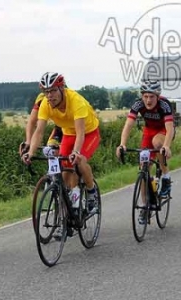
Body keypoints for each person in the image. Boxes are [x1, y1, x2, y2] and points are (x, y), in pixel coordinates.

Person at [22, 72, 100, 219]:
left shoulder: (76, 101)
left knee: (79, 160)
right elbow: (39, 131)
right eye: (46, 92)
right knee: (64, 171)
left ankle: (91, 192)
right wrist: (31, 152)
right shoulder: (45, 104)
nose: (50, 95)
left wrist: (76, 152)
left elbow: (81, 132)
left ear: (62, 89)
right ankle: (68, 212)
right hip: (68, 134)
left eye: (53, 90)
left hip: (89, 133)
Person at [116, 80, 174, 222]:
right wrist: (122, 144)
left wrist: (166, 146)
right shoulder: (138, 104)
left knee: (157, 142)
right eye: (145, 96)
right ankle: (145, 205)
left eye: (151, 97)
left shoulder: (164, 104)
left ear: (157, 96)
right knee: (144, 167)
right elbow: (128, 125)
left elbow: (170, 128)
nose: (148, 100)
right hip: (148, 131)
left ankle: (166, 177)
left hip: (163, 131)